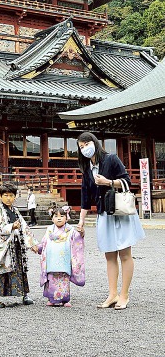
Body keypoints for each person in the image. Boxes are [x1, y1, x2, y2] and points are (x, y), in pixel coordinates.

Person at [76, 131, 144, 310]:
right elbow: (85, 198)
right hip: (103, 214)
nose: (84, 149)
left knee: (124, 253)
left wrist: (108, 182)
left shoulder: (111, 159)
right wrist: (81, 222)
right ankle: (112, 294)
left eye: (86, 145)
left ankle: (124, 294)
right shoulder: (87, 169)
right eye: (81, 147)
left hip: (119, 212)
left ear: (94, 143)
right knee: (109, 255)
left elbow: (127, 182)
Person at [0, 181, 38, 308]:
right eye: (6, 195)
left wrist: (32, 243)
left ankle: (24, 294)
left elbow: (24, 227)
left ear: (15, 197)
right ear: (1, 196)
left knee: (20, 269)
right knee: (0, 270)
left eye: (11, 195)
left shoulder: (16, 211)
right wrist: (11, 226)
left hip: (15, 246)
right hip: (3, 248)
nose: (9, 198)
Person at [37, 204, 85, 307]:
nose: (59, 218)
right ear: (52, 219)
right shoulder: (49, 230)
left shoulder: (71, 230)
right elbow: (44, 242)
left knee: (63, 280)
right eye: (56, 216)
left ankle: (65, 300)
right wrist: (38, 248)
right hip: (51, 260)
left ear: (67, 218)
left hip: (64, 260)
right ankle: (51, 299)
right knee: (51, 279)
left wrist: (81, 234)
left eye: (62, 216)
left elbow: (77, 240)